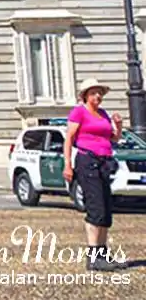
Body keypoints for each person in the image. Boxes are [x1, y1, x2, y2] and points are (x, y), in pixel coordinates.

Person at [63, 78, 125, 271]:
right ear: (85, 96)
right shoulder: (79, 112)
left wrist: (118, 125)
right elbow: (69, 138)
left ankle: (103, 254)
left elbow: (114, 138)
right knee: (96, 208)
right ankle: (93, 256)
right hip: (87, 161)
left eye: (99, 93)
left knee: (106, 210)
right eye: (93, 93)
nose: (97, 96)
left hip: (104, 162)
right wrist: (67, 165)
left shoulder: (103, 114)